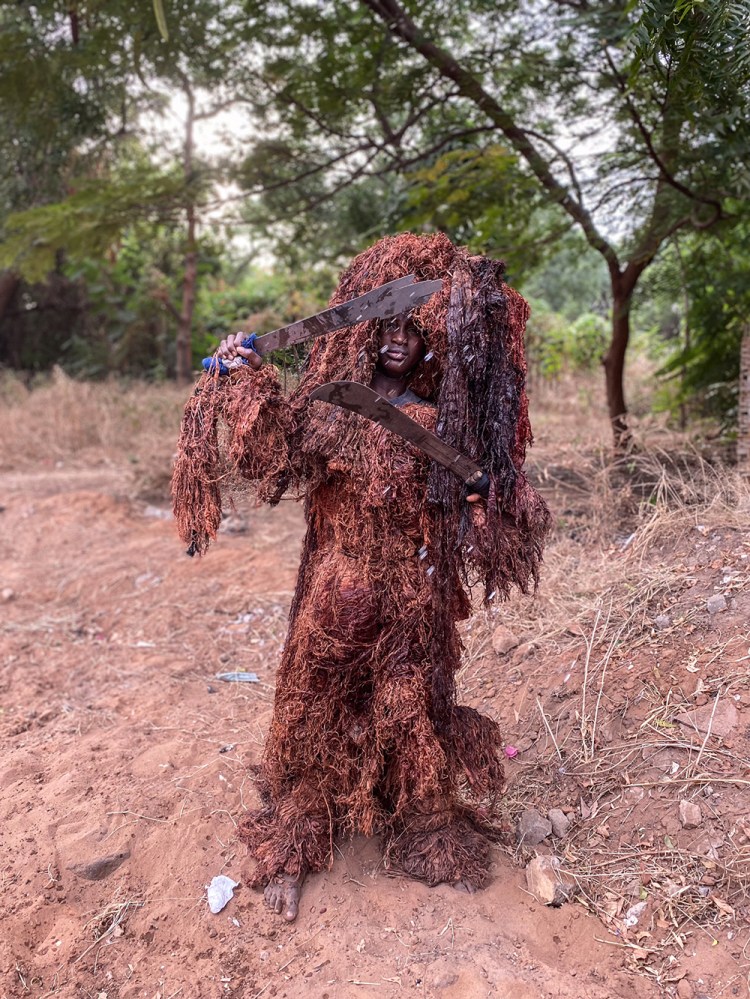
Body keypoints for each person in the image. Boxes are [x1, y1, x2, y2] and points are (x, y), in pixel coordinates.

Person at [172, 232, 550, 922]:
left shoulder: (436, 424)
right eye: (388, 327)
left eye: (415, 328)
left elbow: (480, 513)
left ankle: (426, 831)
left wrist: (490, 499)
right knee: (311, 716)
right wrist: (244, 376)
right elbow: (270, 454)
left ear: (434, 341)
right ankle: (292, 848)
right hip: (334, 598)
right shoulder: (331, 409)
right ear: (367, 333)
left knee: (410, 714)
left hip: (409, 604)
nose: (399, 340)